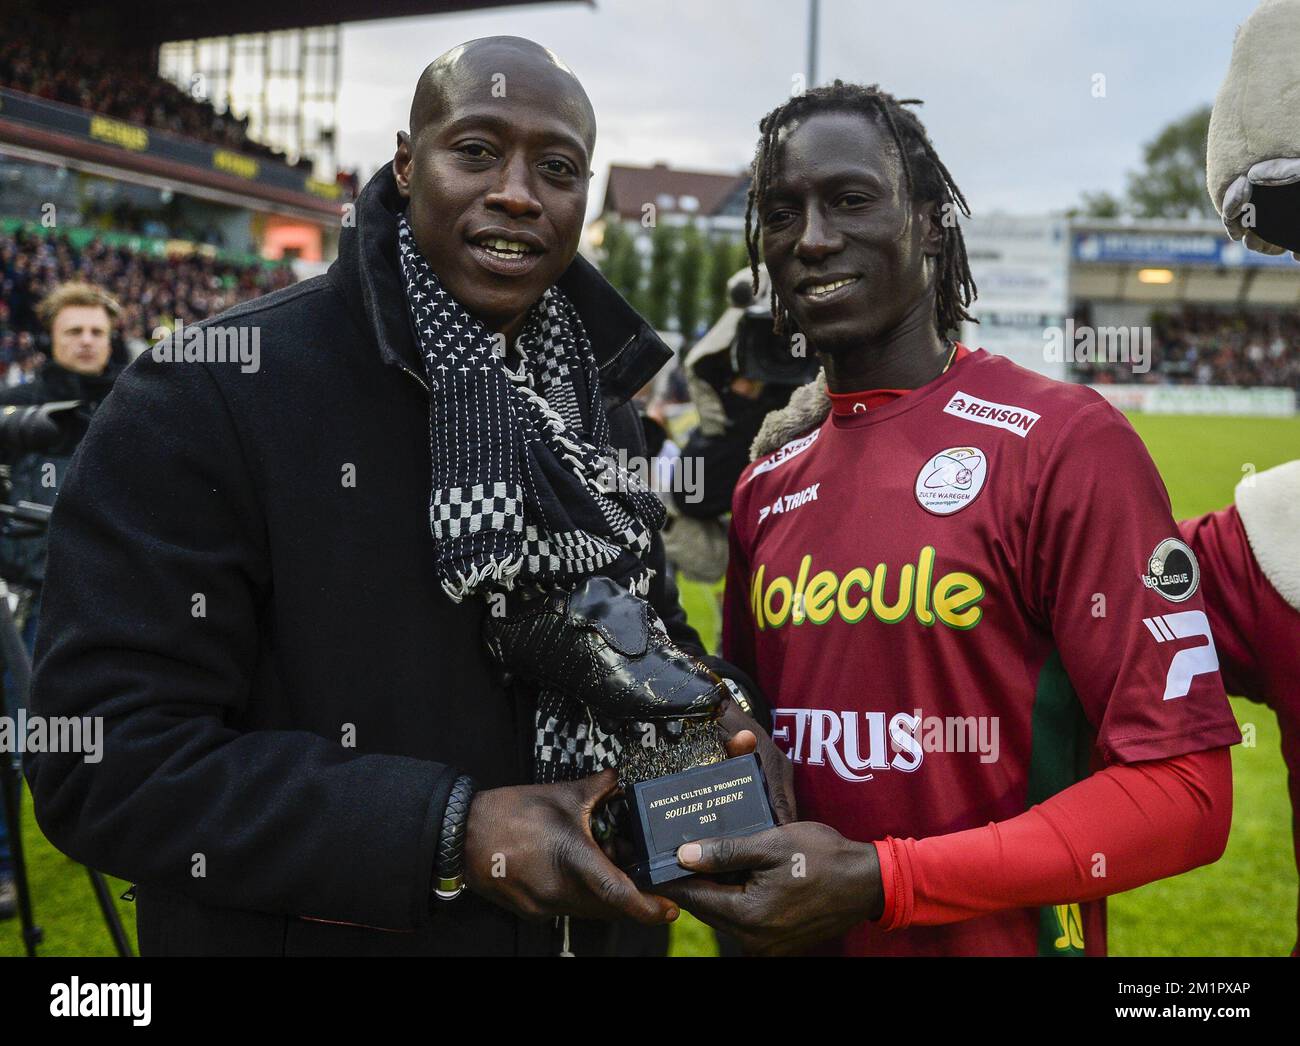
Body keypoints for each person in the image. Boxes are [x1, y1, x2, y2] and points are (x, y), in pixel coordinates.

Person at [23, 37, 782, 956]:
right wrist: (446, 832)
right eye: (475, 150)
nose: (516, 190)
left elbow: (646, 624)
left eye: (557, 168)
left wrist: (711, 708)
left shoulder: (598, 406)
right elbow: (101, 761)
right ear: (404, 162)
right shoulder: (207, 391)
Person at [662, 82, 1240, 956]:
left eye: (851, 200)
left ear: (930, 221)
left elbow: (1185, 791)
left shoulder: (1066, 442)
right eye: (783, 213)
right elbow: (753, 743)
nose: (813, 239)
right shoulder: (764, 484)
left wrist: (887, 882)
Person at [0, 280, 123, 921]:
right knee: (18, 734)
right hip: (21, 598)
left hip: (108, 599)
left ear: (111, 338)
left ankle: (86, 826)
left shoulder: (139, 401)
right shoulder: (15, 409)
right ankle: (3, 870)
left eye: (95, 332)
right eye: (72, 330)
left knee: (102, 728)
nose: (84, 340)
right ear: (50, 338)